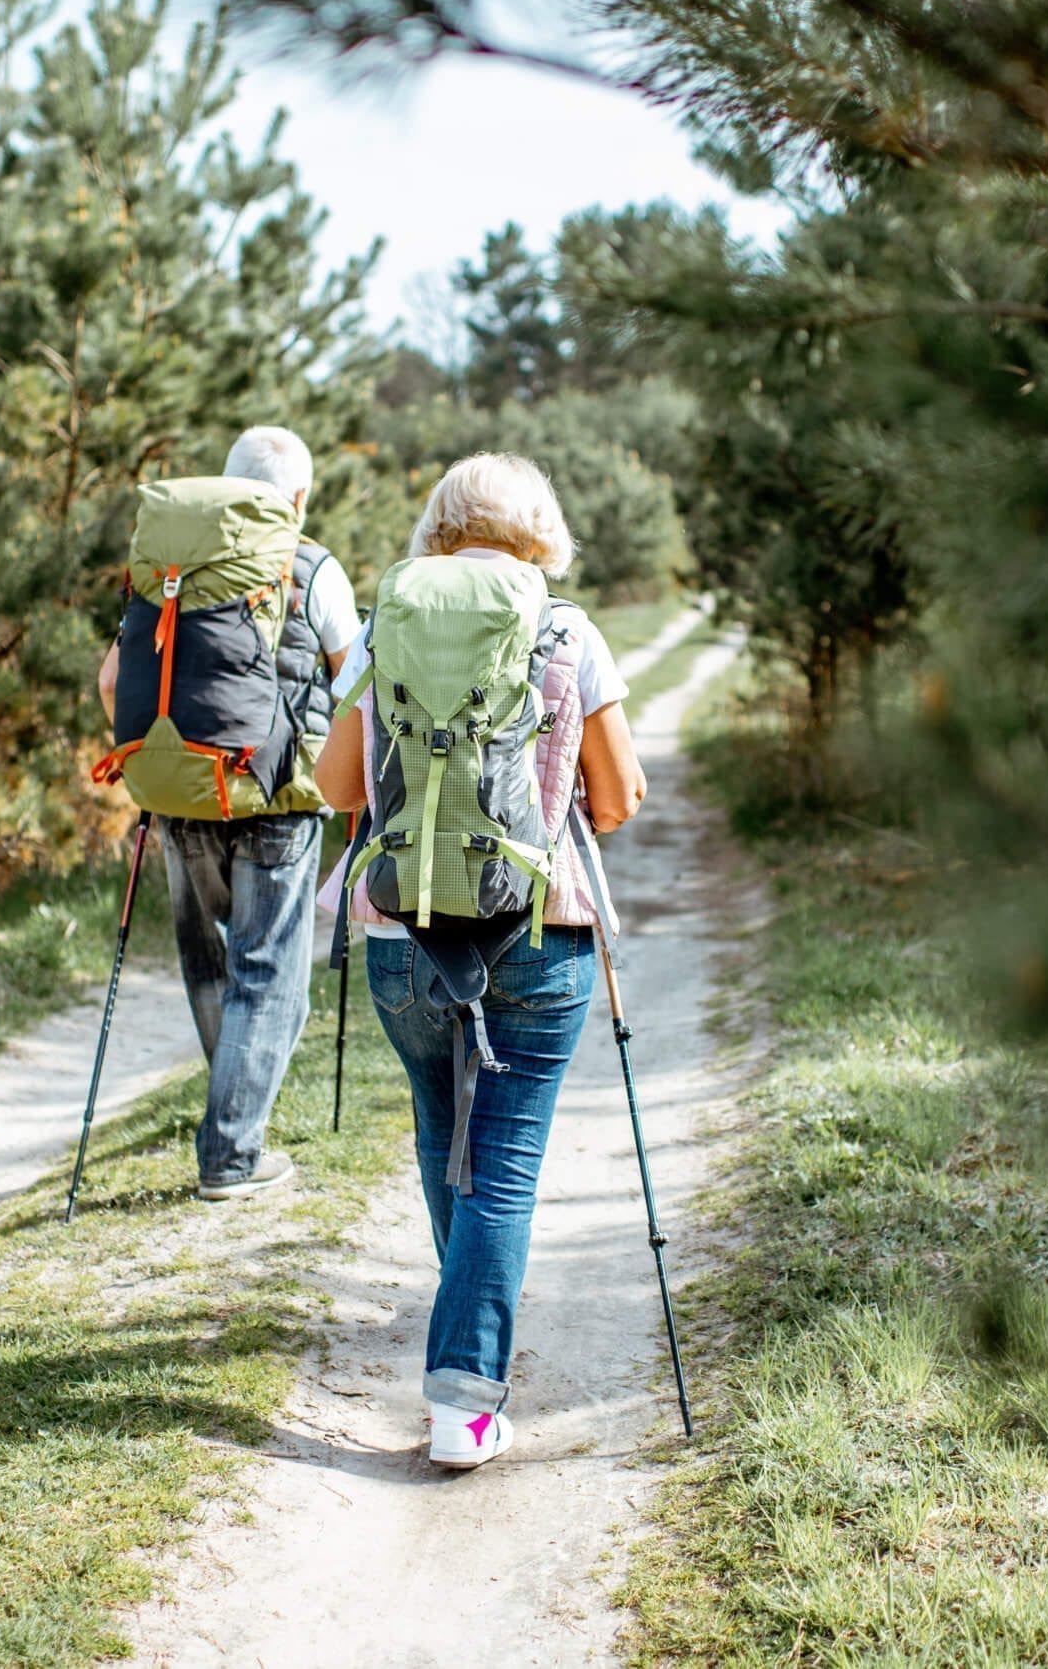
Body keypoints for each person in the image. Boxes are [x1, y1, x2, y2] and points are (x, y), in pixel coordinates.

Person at [314, 453, 647, 1469]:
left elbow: (336, 788)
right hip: (539, 932)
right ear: (540, 533)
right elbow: (621, 796)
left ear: (437, 528)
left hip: (404, 931)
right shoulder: (565, 630)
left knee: (435, 1126)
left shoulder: (383, 623)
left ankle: (466, 1328)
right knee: (500, 1163)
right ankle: (463, 1395)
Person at [98, 427, 358, 1200]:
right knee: (270, 972)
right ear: (301, 500)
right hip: (275, 794)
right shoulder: (311, 565)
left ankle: (231, 1112)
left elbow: (115, 682)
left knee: (209, 959)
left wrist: (164, 760)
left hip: (181, 790)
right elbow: (357, 686)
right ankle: (233, 1151)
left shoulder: (171, 568)